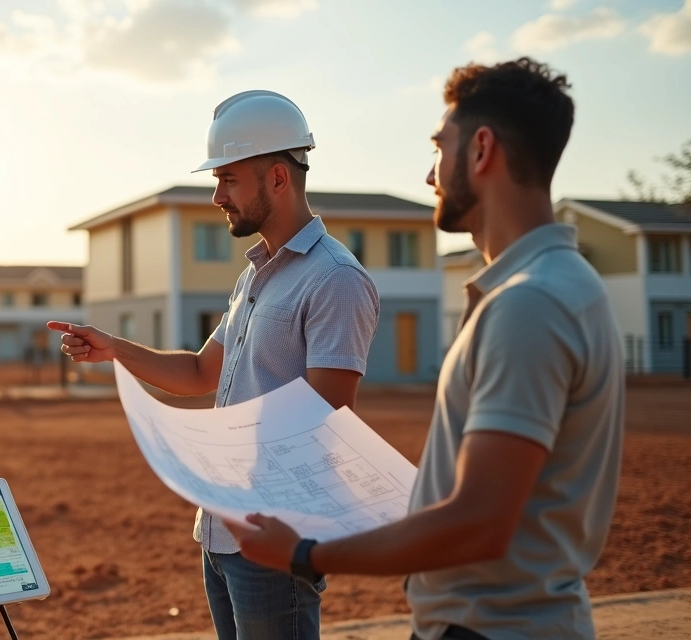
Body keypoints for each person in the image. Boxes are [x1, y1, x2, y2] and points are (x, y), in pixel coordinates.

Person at [223, 58, 625, 640]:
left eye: (440, 147)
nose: (430, 174)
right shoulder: (562, 285)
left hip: (489, 628)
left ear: (481, 149)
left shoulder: (529, 304)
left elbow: (478, 522)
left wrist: (305, 554)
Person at [50, 90, 380, 640]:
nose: (217, 196)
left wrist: (220, 450)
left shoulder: (335, 279)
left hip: (275, 537)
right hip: (222, 533)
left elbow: (326, 420)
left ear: (278, 178)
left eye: (228, 179)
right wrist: (114, 348)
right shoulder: (254, 275)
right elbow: (202, 373)